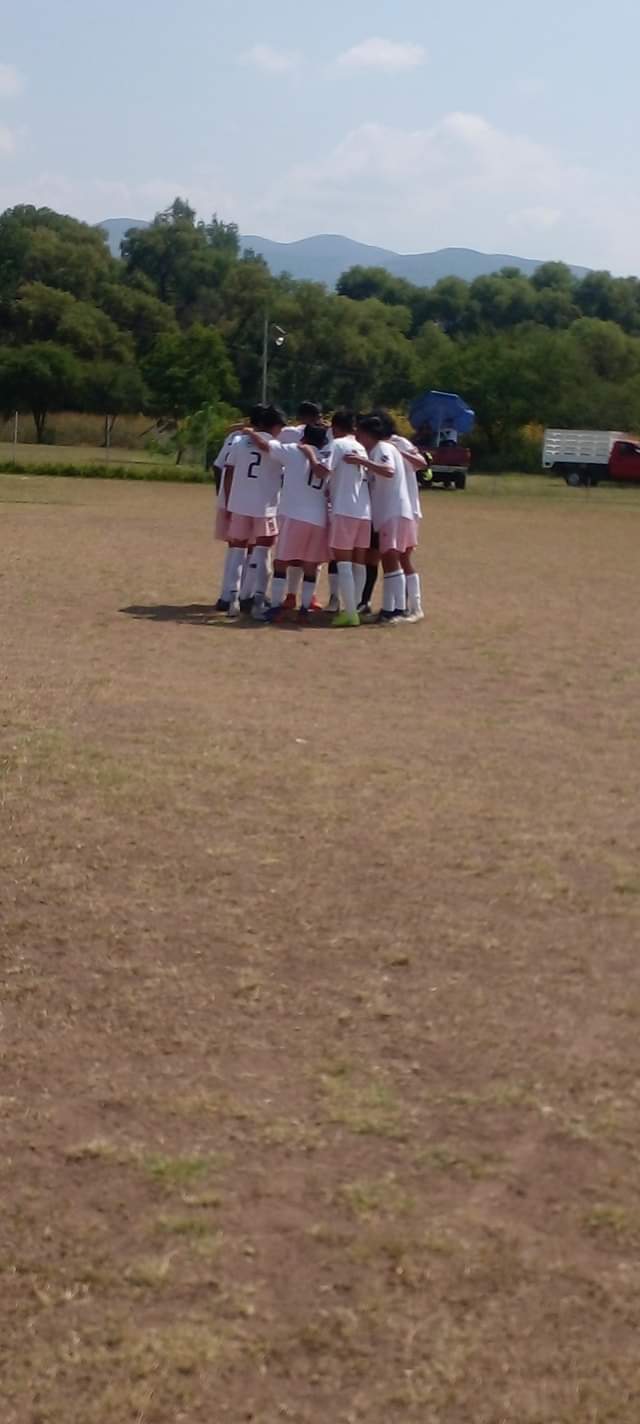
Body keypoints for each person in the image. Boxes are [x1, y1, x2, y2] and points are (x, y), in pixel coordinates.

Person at [248, 423, 331, 621]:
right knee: (310, 564)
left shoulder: (295, 450)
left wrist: (250, 432)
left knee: (281, 562)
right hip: (319, 518)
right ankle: (304, 609)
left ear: (304, 437)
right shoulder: (327, 456)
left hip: (295, 515)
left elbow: (265, 445)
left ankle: (276, 607)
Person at [216, 404, 286, 618]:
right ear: (274, 426)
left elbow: (228, 472)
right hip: (265, 507)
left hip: (239, 504)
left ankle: (233, 599)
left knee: (236, 551)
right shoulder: (276, 446)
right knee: (262, 552)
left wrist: (229, 501)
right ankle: (257, 601)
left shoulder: (238, 441)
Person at [347, 415, 417, 624]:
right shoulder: (380, 449)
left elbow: (388, 470)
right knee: (389, 560)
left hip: (391, 511)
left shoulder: (382, 448)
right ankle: (390, 608)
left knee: (390, 559)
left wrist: (362, 462)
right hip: (389, 512)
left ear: (368, 434)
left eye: (360, 434)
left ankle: (396, 609)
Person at [321, 409, 371, 628]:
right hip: (364, 510)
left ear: (334, 428)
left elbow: (323, 470)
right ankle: (355, 607)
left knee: (343, 561)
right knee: (359, 562)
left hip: (344, 508)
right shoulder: (360, 447)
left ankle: (350, 613)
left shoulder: (337, 444)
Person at [378, 414, 425, 624]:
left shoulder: (399, 442)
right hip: (393, 507)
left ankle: (413, 606)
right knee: (392, 558)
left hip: (407, 506)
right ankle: (397, 605)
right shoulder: (377, 446)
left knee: (402, 557)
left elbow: (421, 463)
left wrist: (400, 452)